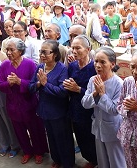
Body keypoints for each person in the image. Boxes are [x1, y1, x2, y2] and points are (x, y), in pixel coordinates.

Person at [0, 37, 49, 164]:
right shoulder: (4, 65)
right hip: (13, 104)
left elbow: (35, 84)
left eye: (11, 50)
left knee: (35, 129)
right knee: (19, 131)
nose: (8, 53)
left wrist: (20, 82)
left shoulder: (30, 64)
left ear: (20, 51)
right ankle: (27, 151)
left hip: (29, 103)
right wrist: (8, 83)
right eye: (7, 50)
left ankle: (38, 152)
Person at [29, 40, 75, 168]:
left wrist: (45, 84)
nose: (42, 55)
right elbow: (31, 87)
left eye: (45, 52)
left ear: (54, 54)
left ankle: (67, 163)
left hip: (59, 112)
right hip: (44, 111)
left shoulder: (62, 69)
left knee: (63, 139)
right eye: (40, 52)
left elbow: (63, 92)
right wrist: (38, 84)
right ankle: (57, 160)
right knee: (51, 137)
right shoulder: (39, 67)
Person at [82, 47, 127, 168]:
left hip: (113, 129)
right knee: (102, 161)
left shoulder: (119, 83)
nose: (98, 65)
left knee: (116, 161)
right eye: (96, 61)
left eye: (103, 62)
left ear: (112, 64)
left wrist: (102, 94)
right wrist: (95, 93)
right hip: (98, 127)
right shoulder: (93, 80)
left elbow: (115, 110)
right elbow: (85, 104)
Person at [63, 35, 98, 168]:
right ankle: (89, 158)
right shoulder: (72, 66)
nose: (74, 51)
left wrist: (78, 89)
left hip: (90, 109)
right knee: (80, 136)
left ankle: (96, 160)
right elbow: (68, 86)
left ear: (88, 49)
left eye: (78, 48)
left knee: (91, 136)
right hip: (75, 107)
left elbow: (98, 92)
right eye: (73, 48)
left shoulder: (94, 67)